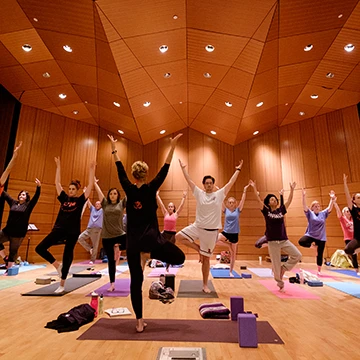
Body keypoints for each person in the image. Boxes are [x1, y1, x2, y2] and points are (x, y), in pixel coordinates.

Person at [108, 133, 185, 333]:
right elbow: (164, 170)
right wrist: (172, 146)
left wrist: (114, 148)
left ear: (134, 175)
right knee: (179, 257)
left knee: (136, 282)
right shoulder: (151, 189)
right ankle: (149, 255)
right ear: (145, 174)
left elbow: (120, 171)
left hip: (133, 243)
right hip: (151, 241)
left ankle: (139, 321)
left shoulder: (128, 189)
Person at [175, 160, 243, 293]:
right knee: (179, 237)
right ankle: (199, 249)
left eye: (210, 183)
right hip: (197, 227)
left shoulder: (219, 194)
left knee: (206, 259)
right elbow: (189, 181)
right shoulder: (199, 193)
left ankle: (205, 285)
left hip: (211, 232)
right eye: (206, 183)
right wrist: (183, 169)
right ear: (203, 185)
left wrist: (238, 170)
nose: (209, 185)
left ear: (213, 184)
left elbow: (230, 183)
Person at [35, 157, 96, 293]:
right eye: (69, 189)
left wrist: (91, 170)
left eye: (73, 189)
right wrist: (58, 166)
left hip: (72, 232)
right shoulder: (63, 198)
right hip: (59, 229)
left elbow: (90, 186)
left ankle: (62, 284)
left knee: (67, 254)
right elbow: (57, 183)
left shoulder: (80, 200)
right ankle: (57, 266)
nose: (71, 191)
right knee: (40, 248)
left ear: (77, 190)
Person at [250, 180, 301, 292]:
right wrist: (254, 188)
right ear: (268, 202)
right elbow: (258, 200)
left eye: (275, 199)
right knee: (275, 264)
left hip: (283, 240)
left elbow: (289, 201)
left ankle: (285, 268)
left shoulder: (281, 211)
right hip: (272, 242)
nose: (274, 200)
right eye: (271, 199)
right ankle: (280, 282)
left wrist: (292, 190)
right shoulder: (266, 211)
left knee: (297, 255)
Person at [0, 142, 41, 270]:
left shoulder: (28, 206)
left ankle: (9, 269)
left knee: (13, 251)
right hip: (8, 230)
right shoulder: (13, 202)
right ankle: (5, 258)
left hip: (18, 233)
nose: (22, 195)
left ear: (26, 198)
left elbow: (35, 198)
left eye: (24, 194)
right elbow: (3, 191)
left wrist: (38, 187)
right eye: (21, 194)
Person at [93, 179, 126, 291]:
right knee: (111, 261)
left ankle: (118, 246)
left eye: (115, 194)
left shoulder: (121, 204)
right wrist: (95, 183)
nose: (112, 195)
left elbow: (130, 193)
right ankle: (112, 284)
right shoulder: (105, 204)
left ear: (118, 195)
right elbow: (99, 193)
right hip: (107, 236)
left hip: (120, 234)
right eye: (111, 194)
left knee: (132, 244)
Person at [298, 189, 336, 275]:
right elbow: (304, 206)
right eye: (315, 206)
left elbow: (329, 208)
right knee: (301, 241)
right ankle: (313, 246)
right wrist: (303, 197)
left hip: (321, 237)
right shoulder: (310, 213)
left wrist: (332, 199)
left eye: (318, 206)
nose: (317, 207)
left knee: (320, 254)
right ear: (312, 208)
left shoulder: (323, 214)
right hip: (311, 235)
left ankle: (319, 270)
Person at [216, 182, 250, 276]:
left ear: (235, 204)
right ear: (228, 203)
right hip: (226, 232)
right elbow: (220, 200)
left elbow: (243, 200)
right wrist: (219, 191)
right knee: (215, 239)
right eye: (229, 202)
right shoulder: (225, 210)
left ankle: (230, 271)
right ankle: (228, 245)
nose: (231, 203)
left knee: (233, 254)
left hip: (235, 234)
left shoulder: (238, 210)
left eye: (232, 202)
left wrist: (244, 191)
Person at [156, 190, 187, 270]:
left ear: (173, 208)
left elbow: (181, 206)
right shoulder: (165, 213)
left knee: (170, 250)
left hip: (172, 234)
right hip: (165, 233)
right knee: (162, 248)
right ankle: (160, 261)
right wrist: (157, 196)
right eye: (169, 206)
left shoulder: (175, 215)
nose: (170, 208)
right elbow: (161, 204)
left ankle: (168, 266)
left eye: (171, 207)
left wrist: (184, 197)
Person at [333, 200, 358, 274]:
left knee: (354, 254)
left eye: (349, 211)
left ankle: (356, 269)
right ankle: (357, 270)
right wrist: (335, 203)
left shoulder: (353, 219)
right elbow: (339, 213)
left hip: (354, 238)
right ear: (344, 212)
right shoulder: (343, 219)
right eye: (347, 211)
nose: (349, 212)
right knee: (353, 255)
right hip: (348, 239)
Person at [77, 196, 103, 265]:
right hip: (89, 229)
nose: (97, 205)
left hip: (97, 230)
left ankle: (92, 260)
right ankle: (89, 249)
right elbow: (88, 202)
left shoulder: (102, 210)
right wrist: (86, 192)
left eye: (99, 204)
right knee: (80, 238)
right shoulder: (93, 209)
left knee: (95, 245)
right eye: (96, 204)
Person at [343, 174, 360, 267]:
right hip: (357, 238)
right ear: (354, 201)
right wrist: (345, 183)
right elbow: (347, 196)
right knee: (347, 250)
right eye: (358, 198)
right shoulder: (354, 210)